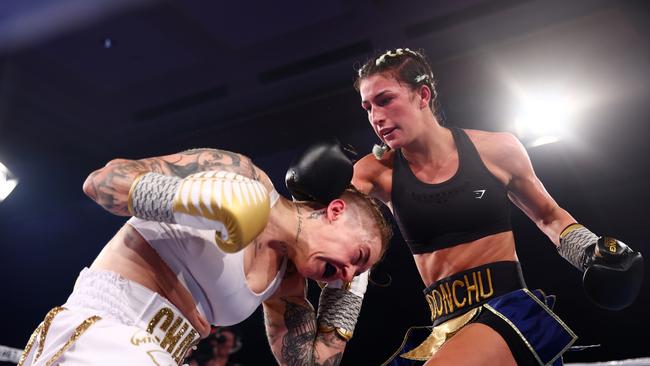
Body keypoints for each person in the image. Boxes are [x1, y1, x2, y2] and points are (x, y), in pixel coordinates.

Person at [285, 48, 643, 365]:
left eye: (385, 99)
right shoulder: (374, 172)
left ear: (422, 95)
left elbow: (549, 216)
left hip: (506, 314)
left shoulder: (496, 150)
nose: (375, 116)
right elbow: (314, 221)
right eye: (368, 107)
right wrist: (309, 190)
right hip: (444, 328)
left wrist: (593, 252)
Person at [17, 147, 392, 366]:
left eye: (355, 276)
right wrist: (189, 201)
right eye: (358, 257)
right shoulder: (240, 177)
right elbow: (101, 182)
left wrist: (348, 298)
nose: (345, 275)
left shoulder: (287, 287)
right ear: (336, 210)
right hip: (104, 329)